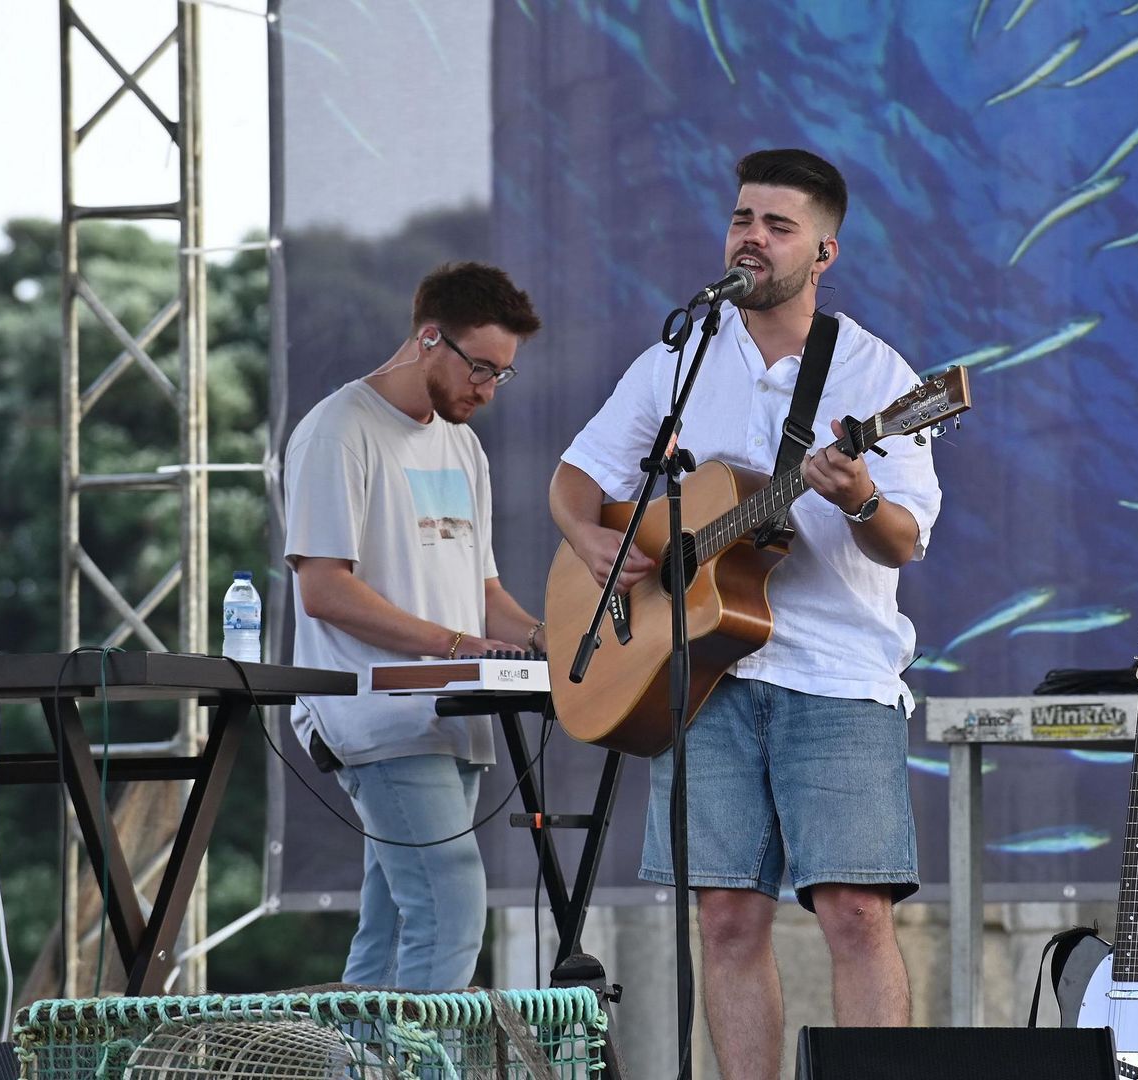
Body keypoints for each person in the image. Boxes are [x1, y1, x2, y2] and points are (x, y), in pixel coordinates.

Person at [549, 149, 942, 1079]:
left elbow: (903, 539)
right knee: (725, 917)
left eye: (777, 225)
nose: (751, 238)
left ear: (824, 252)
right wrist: (590, 540)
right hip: (699, 676)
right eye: (741, 219)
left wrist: (856, 497)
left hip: (836, 674)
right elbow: (577, 477)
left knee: (854, 911)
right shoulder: (678, 359)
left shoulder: (874, 373)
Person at [284, 261, 547, 991]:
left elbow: (482, 591)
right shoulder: (340, 430)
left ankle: (357, 1053)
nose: (488, 389)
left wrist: (543, 639)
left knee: (394, 930)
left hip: (451, 718)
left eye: (502, 374)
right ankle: (427, 1054)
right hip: (377, 712)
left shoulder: (462, 445)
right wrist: (458, 647)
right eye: (480, 368)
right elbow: (324, 589)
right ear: (430, 337)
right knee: (450, 909)